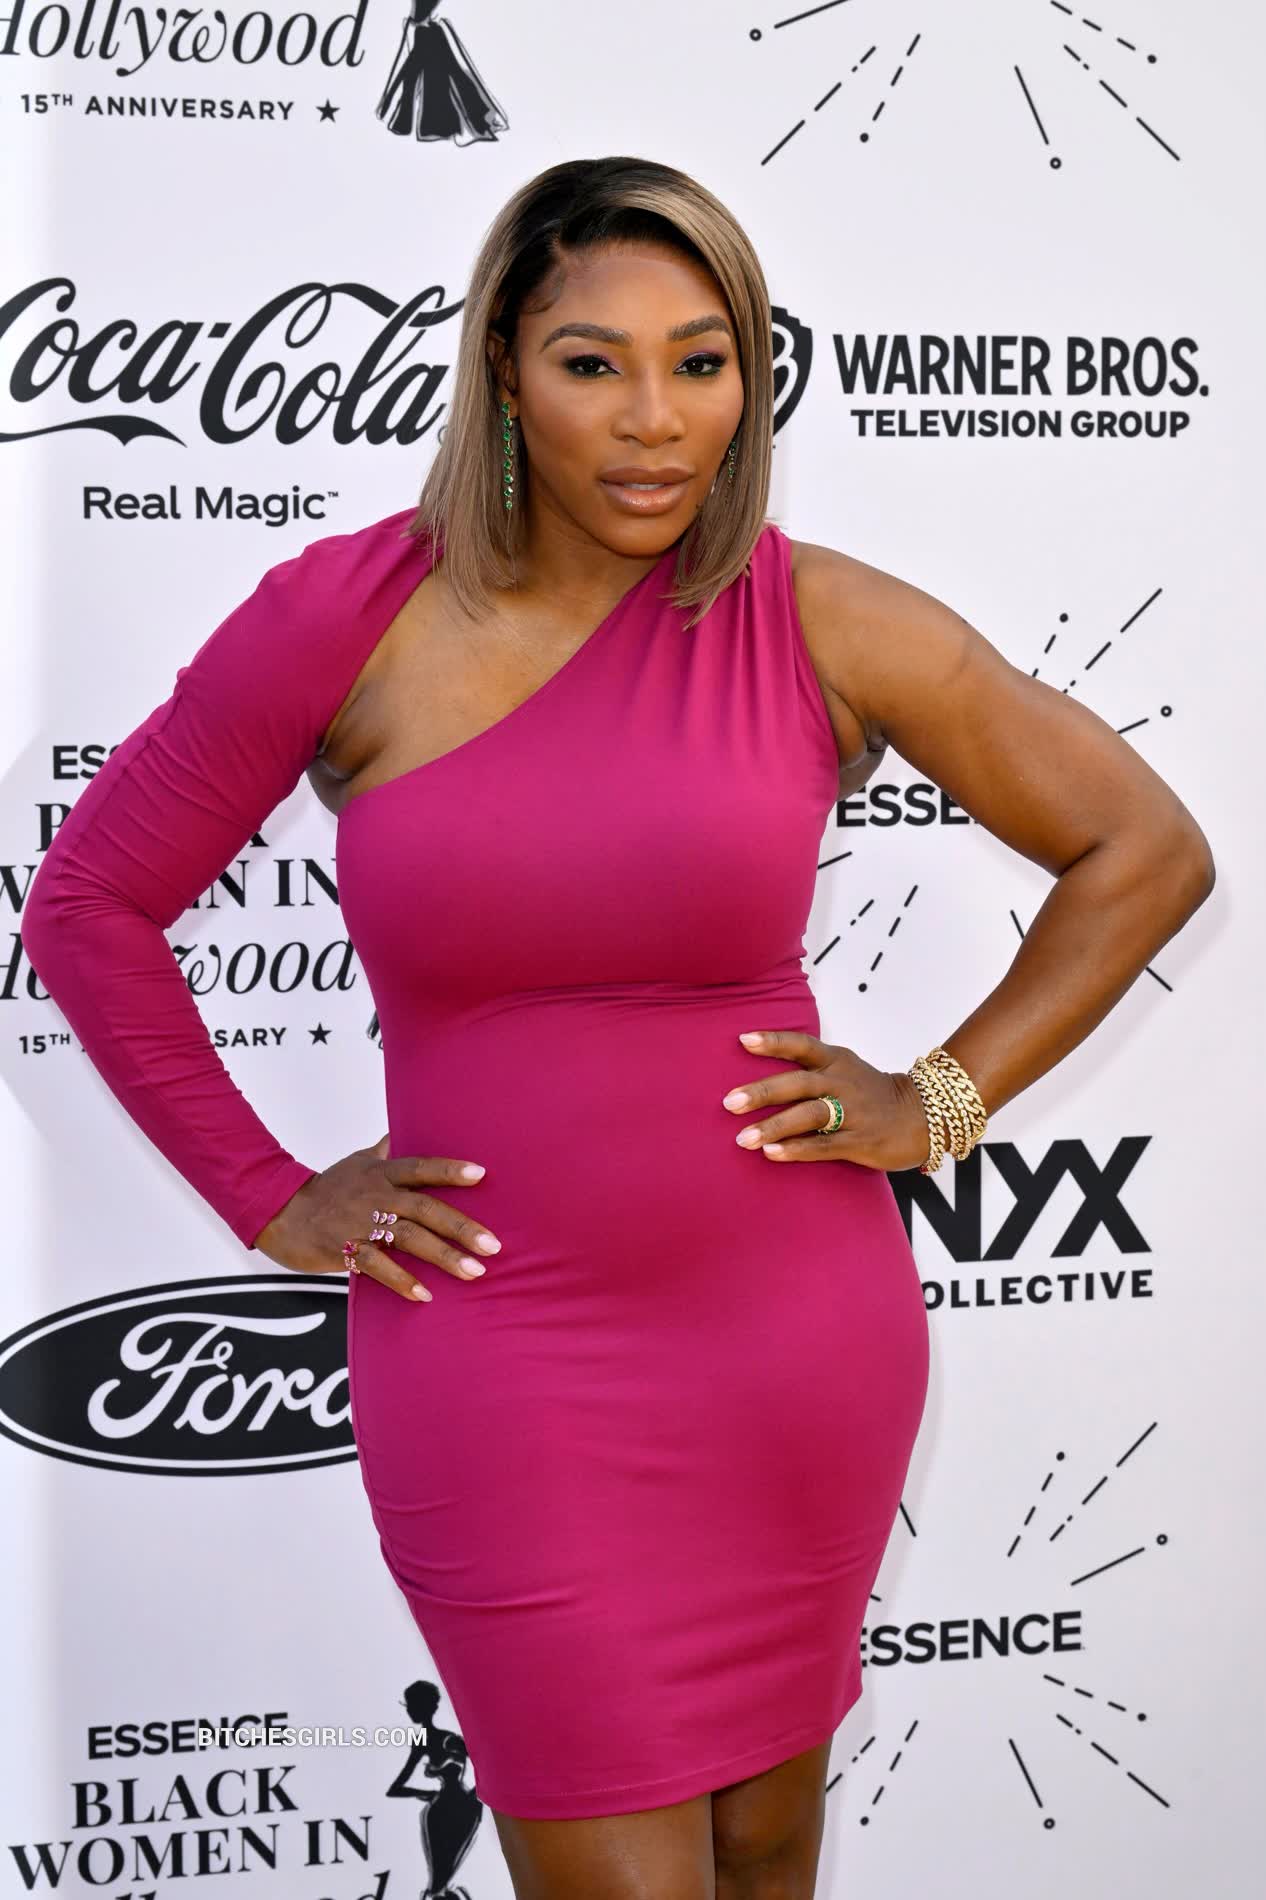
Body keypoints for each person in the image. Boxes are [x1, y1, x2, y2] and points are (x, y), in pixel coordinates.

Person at [22, 155, 1214, 1900]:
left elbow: (1143, 850)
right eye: (593, 363)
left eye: (701, 361)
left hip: (792, 1334)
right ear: (504, 370)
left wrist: (938, 1100)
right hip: (498, 1349)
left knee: (765, 1849)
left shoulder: (819, 617)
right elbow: (88, 907)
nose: (656, 419)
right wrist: (263, 1190)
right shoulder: (347, 616)